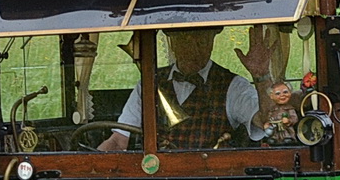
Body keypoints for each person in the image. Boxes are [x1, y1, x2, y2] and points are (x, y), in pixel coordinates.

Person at [98, 26, 278, 151]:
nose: (192, 47)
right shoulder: (148, 84)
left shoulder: (233, 86)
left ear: (212, 42)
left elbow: (267, 121)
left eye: (201, 40)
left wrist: (262, 76)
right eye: (185, 39)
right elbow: (119, 140)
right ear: (172, 43)